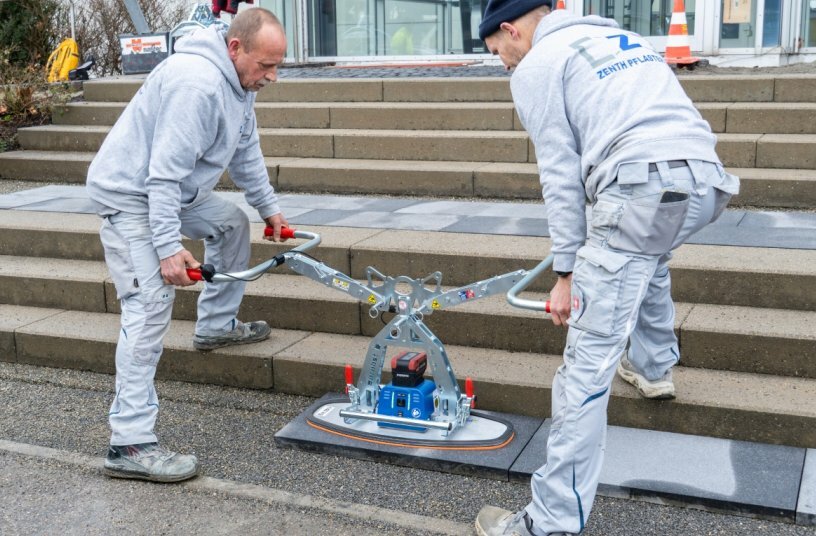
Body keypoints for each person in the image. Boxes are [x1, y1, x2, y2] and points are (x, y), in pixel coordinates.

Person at [475, 1, 740, 535]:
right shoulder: (623, 41)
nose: (502, 62)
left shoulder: (538, 64)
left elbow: (559, 173)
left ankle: (547, 524)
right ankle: (652, 366)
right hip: (706, 183)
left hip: (639, 186)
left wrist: (567, 271)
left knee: (585, 370)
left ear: (510, 30)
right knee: (645, 255)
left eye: (496, 50)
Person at [86, 7, 290, 483]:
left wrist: (270, 210)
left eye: (277, 66)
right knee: (150, 303)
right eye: (266, 65)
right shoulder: (196, 85)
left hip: (176, 193)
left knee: (231, 223)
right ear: (235, 48)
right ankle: (129, 443)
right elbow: (162, 175)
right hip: (132, 195)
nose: (272, 77)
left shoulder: (240, 85)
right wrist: (166, 248)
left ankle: (216, 326)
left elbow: (245, 151)